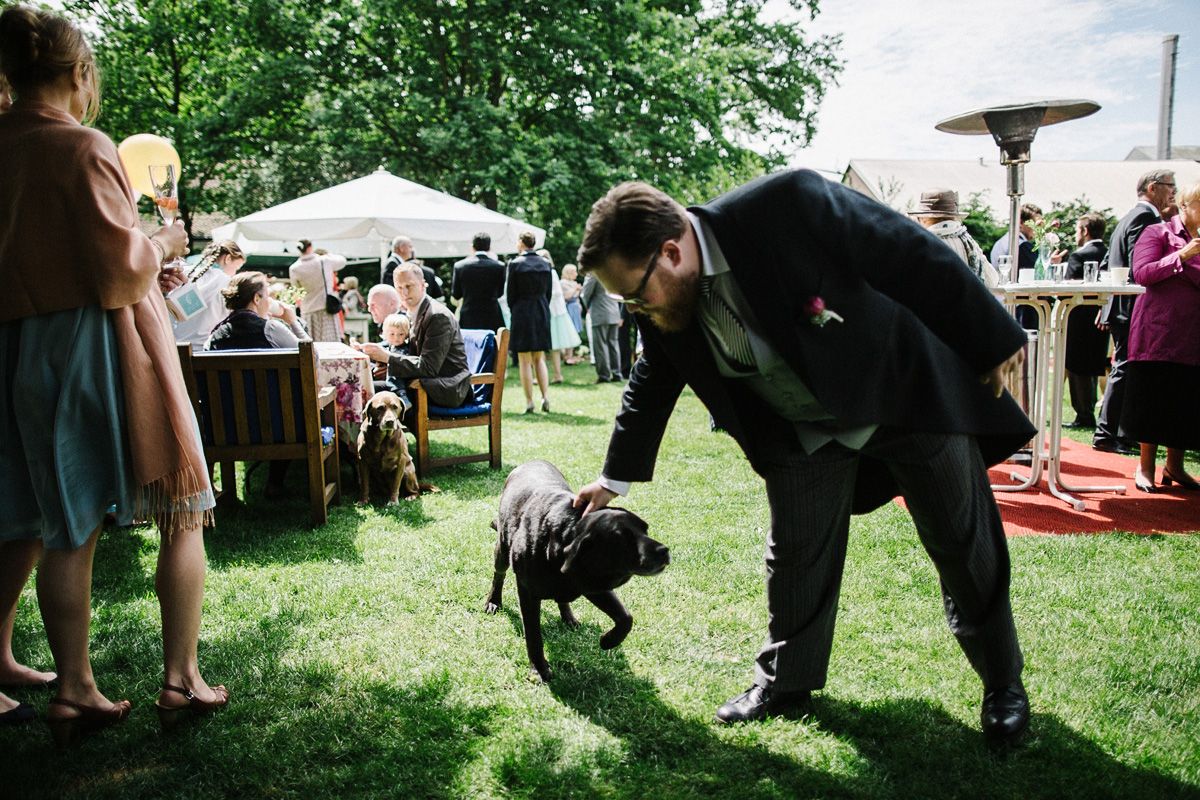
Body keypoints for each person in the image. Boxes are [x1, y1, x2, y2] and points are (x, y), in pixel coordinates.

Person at [571, 173, 1034, 750]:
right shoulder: (658, 291)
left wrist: (990, 335)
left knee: (963, 541)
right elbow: (653, 375)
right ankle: (785, 683)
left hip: (903, 393)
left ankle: (1003, 686)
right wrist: (614, 478)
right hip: (797, 429)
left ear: (671, 250)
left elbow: (905, 249)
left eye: (636, 293)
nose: (635, 307)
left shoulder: (784, 206)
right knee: (794, 556)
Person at [0, 4, 226, 740]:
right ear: (80, 74)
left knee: (58, 521)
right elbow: (117, 272)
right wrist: (159, 240)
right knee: (182, 499)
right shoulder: (82, 146)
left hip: (14, 348)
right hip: (93, 345)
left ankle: (76, 686)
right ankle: (179, 678)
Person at [1121, 180, 1200, 493]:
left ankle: (1175, 466)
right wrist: (1182, 256)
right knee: (1151, 398)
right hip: (1158, 331)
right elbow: (1142, 273)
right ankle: (1145, 468)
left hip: (1193, 334)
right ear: (1184, 206)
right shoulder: (1158, 232)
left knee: (1185, 399)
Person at [1094, 170, 1177, 455]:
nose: (1174, 193)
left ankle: (1114, 432)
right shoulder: (1146, 218)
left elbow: (1109, 262)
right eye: (1171, 186)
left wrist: (1106, 306)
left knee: (1124, 366)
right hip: (1132, 306)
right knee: (1127, 367)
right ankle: (1108, 433)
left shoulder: (1128, 216)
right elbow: (1138, 263)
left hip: (1119, 304)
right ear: (1153, 188)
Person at [357, 263, 470, 413]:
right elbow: (407, 350)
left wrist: (388, 358)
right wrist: (369, 352)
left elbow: (429, 367)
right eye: (399, 288)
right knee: (360, 383)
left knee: (360, 392)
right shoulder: (412, 311)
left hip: (445, 387)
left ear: (423, 285)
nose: (404, 292)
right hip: (417, 382)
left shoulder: (438, 316)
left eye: (409, 286)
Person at [1062, 213, 1110, 428]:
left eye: (1076, 230)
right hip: (1102, 318)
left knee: (1077, 368)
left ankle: (1084, 414)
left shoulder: (1078, 256)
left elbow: (1066, 291)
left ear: (1084, 231)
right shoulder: (1108, 253)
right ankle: (1091, 412)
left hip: (1079, 318)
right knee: (1094, 366)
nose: (1075, 234)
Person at [910, 188, 999, 287]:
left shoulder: (920, 243)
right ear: (954, 217)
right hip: (966, 302)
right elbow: (992, 280)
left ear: (924, 218)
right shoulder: (968, 242)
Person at [507, 232, 554, 413]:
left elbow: (511, 293)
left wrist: (515, 309)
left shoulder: (515, 264)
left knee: (524, 360)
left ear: (521, 243)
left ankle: (529, 401)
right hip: (541, 309)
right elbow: (548, 292)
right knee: (539, 357)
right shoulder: (545, 263)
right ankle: (545, 397)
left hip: (522, 310)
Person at [204, 272, 311, 351]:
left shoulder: (215, 335)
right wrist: (293, 323)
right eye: (267, 296)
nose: (269, 301)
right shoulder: (271, 329)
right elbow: (312, 358)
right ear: (256, 299)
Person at [171, 240, 247, 345]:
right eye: (237, 268)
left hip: (174, 346)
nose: (235, 273)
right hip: (203, 348)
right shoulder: (227, 283)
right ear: (228, 259)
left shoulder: (185, 273)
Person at [288, 239, 345, 342]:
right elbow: (342, 261)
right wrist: (328, 255)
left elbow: (296, 290)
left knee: (312, 345)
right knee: (330, 343)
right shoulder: (324, 261)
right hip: (325, 307)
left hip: (307, 310)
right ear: (310, 247)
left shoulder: (294, 268)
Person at [540, 249, 582, 384]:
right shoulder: (546, 272)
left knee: (555, 346)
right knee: (552, 347)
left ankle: (557, 375)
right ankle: (553, 375)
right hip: (550, 312)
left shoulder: (551, 273)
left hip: (555, 313)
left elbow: (556, 293)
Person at [450, 232, 506, 331]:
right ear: (489, 247)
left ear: (472, 247)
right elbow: (500, 294)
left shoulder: (460, 266)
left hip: (469, 315)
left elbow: (456, 294)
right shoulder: (499, 266)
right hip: (492, 314)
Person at [580, 272, 621, 383]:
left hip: (600, 313)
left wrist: (586, 308)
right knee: (613, 344)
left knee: (600, 345)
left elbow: (585, 294)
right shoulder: (612, 273)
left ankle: (604, 375)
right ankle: (617, 373)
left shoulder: (594, 274)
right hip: (614, 312)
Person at [374, 312, 411, 393]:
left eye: (401, 334)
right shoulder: (389, 345)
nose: (396, 338)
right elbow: (376, 347)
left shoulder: (402, 349)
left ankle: (402, 394)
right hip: (389, 382)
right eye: (392, 334)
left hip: (398, 385)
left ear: (406, 334)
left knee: (395, 365)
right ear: (385, 334)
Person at [561, 263, 584, 364]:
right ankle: (566, 356)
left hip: (576, 309)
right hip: (569, 308)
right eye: (574, 271)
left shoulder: (574, 283)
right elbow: (566, 297)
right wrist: (576, 289)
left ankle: (570, 355)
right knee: (569, 331)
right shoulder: (563, 283)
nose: (576, 274)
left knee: (575, 332)